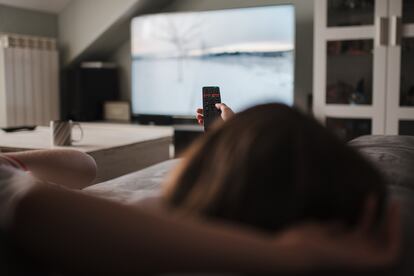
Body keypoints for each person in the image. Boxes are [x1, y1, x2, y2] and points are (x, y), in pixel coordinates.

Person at [0, 103, 401, 274]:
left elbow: (53, 187)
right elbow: (66, 178)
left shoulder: (151, 214)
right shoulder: (158, 215)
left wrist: (290, 255)